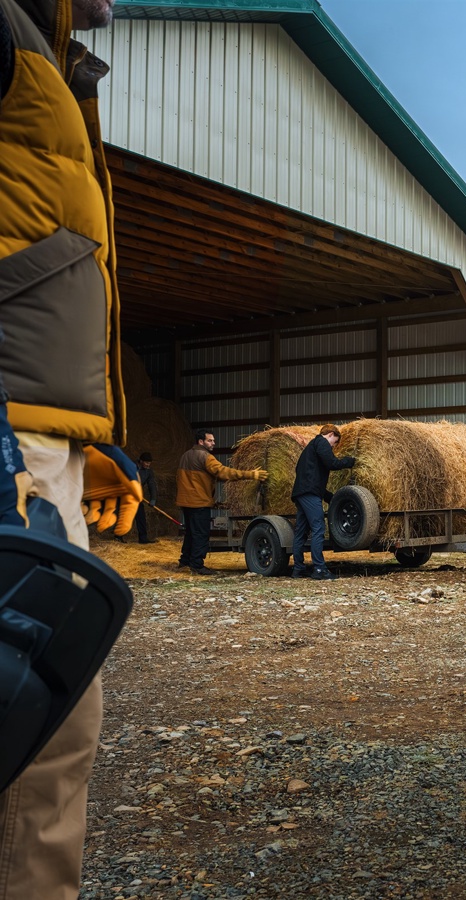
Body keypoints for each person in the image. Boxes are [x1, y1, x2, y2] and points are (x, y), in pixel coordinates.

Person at [0, 0, 144, 895]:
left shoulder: (52, 61)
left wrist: (86, 438)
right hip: (9, 437)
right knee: (26, 710)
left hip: (41, 438)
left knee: (49, 720)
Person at [176, 430, 267, 575]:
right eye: (210, 440)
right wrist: (250, 474)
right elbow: (223, 472)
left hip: (186, 502)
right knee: (201, 534)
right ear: (201, 442)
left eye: (213, 440)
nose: (213, 443)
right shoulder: (205, 457)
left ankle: (184, 561)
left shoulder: (185, 456)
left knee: (191, 533)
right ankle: (197, 565)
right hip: (199, 502)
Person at [291, 424, 355, 580]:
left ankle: (298, 569)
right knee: (318, 528)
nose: (333, 446)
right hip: (309, 494)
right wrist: (348, 462)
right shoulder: (321, 442)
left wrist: (327, 496)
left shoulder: (309, 450)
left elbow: (310, 476)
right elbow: (331, 463)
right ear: (331, 434)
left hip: (301, 493)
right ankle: (319, 569)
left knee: (301, 532)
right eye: (335, 442)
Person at [133, 451, 158, 544]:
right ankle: (118, 537)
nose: (148, 465)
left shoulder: (148, 472)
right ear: (141, 461)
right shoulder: (131, 467)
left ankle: (143, 539)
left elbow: (152, 485)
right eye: (146, 462)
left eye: (149, 463)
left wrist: (153, 499)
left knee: (141, 517)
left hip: (138, 497)